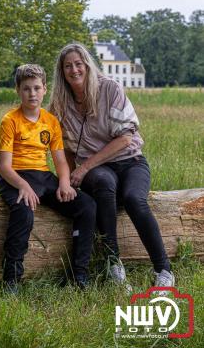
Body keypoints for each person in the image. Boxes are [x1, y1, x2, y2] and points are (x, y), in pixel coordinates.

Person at [49, 43, 175, 290]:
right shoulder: (60, 104)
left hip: (130, 161)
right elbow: (63, 147)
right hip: (98, 171)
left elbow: (126, 138)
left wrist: (83, 169)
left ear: (87, 64)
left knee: (133, 198)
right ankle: (113, 265)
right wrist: (72, 178)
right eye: (68, 66)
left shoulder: (110, 88)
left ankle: (163, 270)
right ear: (62, 72)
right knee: (105, 184)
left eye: (78, 63)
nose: (74, 69)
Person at [0, 64, 96, 293]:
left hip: (43, 176)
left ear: (44, 90)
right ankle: (11, 279)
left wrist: (63, 182)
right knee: (23, 211)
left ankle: (79, 273)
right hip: (16, 176)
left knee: (86, 206)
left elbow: (60, 160)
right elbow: (4, 167)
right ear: (18, 91)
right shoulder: (10, 121)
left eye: (36, 88)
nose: (32, 94)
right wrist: (23, 186)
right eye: (26, 89)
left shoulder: (50, 121)